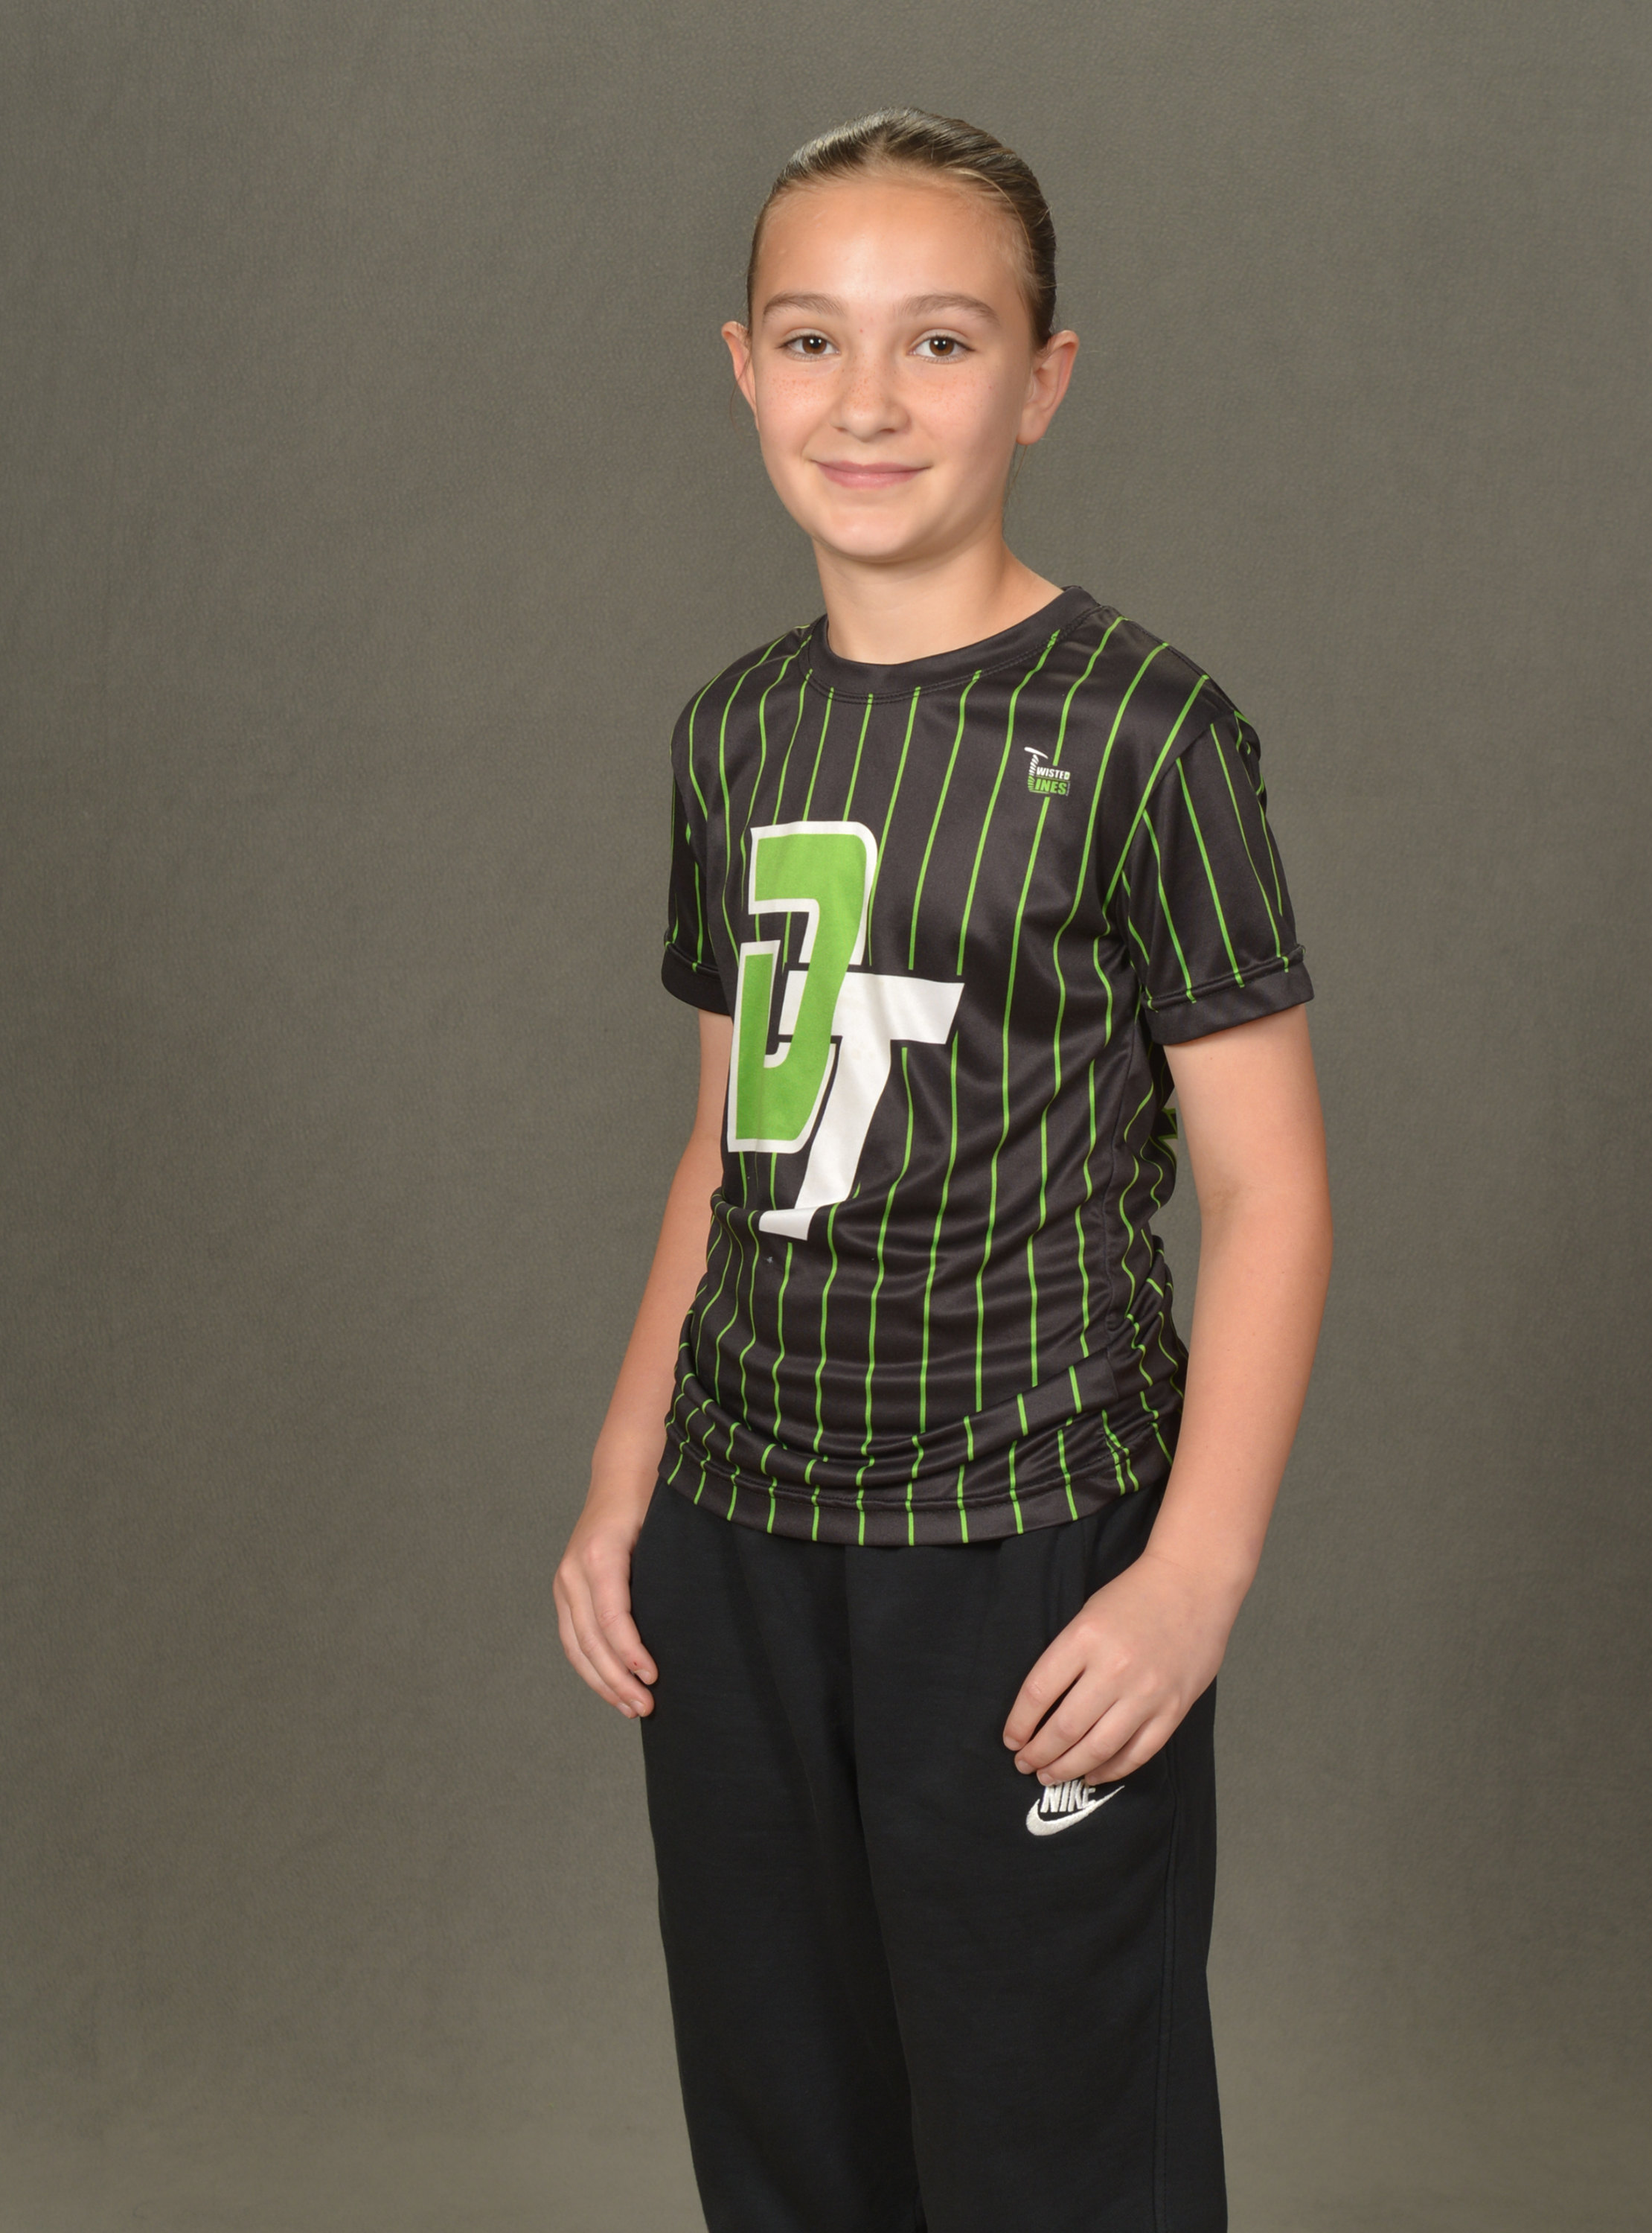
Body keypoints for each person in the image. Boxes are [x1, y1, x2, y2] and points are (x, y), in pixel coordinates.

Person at [554, 107, 1332, 2233]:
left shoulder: (1151, 733)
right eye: (814, 340)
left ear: (1043, 380)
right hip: (738, 1534)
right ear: (744, 369)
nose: (870, 402)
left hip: (1022, 1538)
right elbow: (733, 1134)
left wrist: (1191, 1576)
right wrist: (628, 1471)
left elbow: (1268, 1194)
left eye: (944, 342)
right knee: (793, 2138)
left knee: (1048, 2146)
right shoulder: (733, 732)